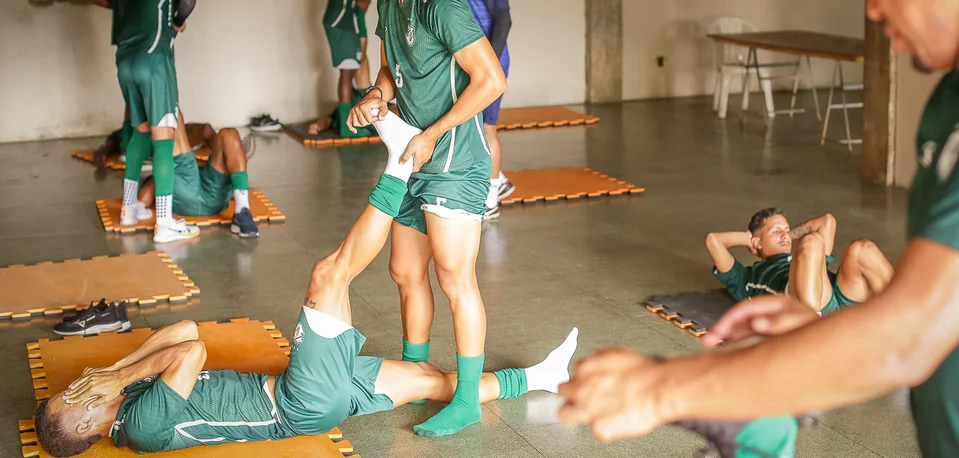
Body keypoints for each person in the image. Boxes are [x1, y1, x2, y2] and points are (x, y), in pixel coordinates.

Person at [558, 0, 959, 457]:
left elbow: (915, 328)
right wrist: (830, 333)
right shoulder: (958, 97)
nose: (873, 8)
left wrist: (663, 388)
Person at [32, 112, 578, 457]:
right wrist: (121, 374)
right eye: (74, 399)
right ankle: (400, 165)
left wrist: (109, 375)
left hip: (315, 395)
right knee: (328, 274)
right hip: (297, 401)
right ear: (85, 424)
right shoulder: (142, 428)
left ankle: (542, 377)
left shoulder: (124, 397)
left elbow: (185, 326)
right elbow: (192, 350)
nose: (79, 387)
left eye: (70, 389)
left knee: (435, 381)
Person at [346, 0, 508, 437]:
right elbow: (393, 68)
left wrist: (431, 134)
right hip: (412, 155)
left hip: (454, 158)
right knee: (403, 272)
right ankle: (416, 374)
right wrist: (375, 94)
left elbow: (490, 81)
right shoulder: (388, 1)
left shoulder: (443, 1)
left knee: (454, 278)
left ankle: (466, 398)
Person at [116, 0, 199, 244]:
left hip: (125, 65)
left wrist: (172, 27)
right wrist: (178, 20)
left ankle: (129, 208)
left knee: (139, 131)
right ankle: (164, 222)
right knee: (164, 138)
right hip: (154, 65)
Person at [444, 0, 515, 218]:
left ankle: (491, 200)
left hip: (489, 65)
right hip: (471, 62)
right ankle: (499, 181)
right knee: (473, 127)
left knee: (487, 128)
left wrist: (491, 63)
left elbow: (503, 20)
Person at [708, 209, 893, 314]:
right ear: (758, 242)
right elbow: (714, 241)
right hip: (808, 305)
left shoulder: (806, 254)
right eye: (776, 231)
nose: (785, 235)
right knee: (812, 241)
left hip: (831, 294)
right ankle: (810, 329)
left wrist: (788, 235)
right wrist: (751, 241)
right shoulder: (746, 277)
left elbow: (827, 221)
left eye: (786, 230)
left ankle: (908, 311)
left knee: (862, 248)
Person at [94, 0, 170, 151]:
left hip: (123, 39)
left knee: (130, 93)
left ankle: (128, 143)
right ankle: (136, 147)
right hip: (143, 38)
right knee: (146, 94)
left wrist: (121, 10)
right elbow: (153, 2)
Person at [135, 113, 259, 238]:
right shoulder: (159, 178)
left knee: (228, 132)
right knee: (174, 114)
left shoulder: (163, 176)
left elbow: (142, 201)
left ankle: (242, 210)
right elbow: (142, 200)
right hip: (207, 198)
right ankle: (236, 159)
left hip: (204, 190)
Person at [323, 0, 374, 138]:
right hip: (341, 25)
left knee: (349, 71)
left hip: (341, 23)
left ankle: (347, 122)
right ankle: (347, 127)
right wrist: (359, 3)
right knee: (347, 72)